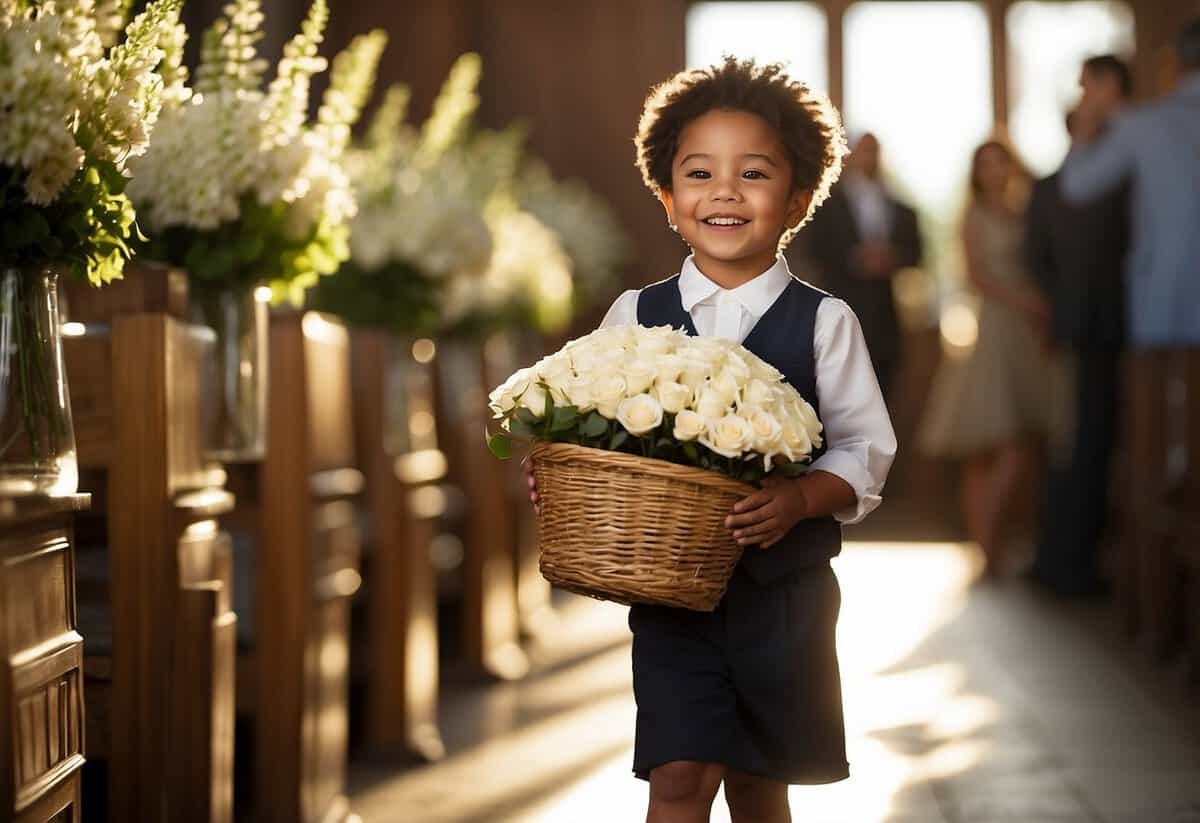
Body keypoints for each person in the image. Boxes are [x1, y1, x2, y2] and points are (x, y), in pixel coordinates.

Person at [525, 58, 896, 822]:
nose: (724, 191)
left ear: (797, 198)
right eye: (699, 173)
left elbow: (864, 450)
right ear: (667, 197)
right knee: (680, 775)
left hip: (783, 602)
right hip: (674, 607)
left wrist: (800, 497)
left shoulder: (825, 321)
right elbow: (588, 417)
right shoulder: (636, 313)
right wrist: (562, 472)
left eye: (753, 173)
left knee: (762, 787)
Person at [919, 140, 1052, 580]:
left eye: (1001, 162)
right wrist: (1025, 301)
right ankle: (986, 550)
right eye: (986, 164)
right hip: (993, 330)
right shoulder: (973, 216)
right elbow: (975, 277)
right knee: (991, 451)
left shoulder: (1025, 212)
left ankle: (1000, 546)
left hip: (1026, 337)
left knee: (1021, 448)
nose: (994, 171)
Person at [1025, 55, 1132, 598]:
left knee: (1106, 445)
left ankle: (1086, 560)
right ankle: (1061, 562)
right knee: (1072, 446)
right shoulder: (1048, 190)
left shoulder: (1124, 181)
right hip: (1069, 333)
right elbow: (1036, 262)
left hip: (1125, 328)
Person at [1060, 18, 1200, 347]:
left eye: (1085, 86)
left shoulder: (1144, 125)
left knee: (1150, 378)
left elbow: (1078, 186)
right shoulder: (1143, 123)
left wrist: (1081, 132)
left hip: (1156, 285)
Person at [793, 132, 923, 403]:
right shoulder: (826, 204)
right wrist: (854, 259)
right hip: (840, 307)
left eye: (874, 151)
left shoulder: (897, 204)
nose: (869, 157)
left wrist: (891, 258)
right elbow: (813, 249)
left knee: (882, 389)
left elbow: (917, 252)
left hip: (885, 315)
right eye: (863, 150)